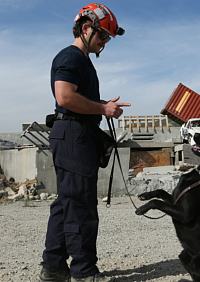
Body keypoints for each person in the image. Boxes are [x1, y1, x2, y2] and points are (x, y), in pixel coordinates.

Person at [39, 3, 130, 282]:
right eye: (103, 35)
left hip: (75, 134)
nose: (105, 42)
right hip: (73, 136)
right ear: (86, 28)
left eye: (108, 38)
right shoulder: (71, 56)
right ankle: (84, 272)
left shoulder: (82, 60)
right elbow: (65, 97)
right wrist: (103, 110)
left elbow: (75, 101)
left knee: (67, 202)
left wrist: (101, 105)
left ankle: (54, 267)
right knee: (80, 205)